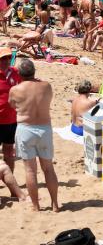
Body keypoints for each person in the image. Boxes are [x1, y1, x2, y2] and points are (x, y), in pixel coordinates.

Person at [9, 58, 58, 212]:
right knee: (48, 168)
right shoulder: (46, 86)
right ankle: (55, 204)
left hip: (26, 128)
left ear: (20, 74)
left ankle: (36, 206)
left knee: (30, 170)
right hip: (44, 128)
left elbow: (12, 104)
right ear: (34, 71)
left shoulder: (16, 89)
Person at [0, 48, 20, 171]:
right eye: (3, 58)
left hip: (12, 121)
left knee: (9, 151)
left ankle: (10, 179)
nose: (6, 61)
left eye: (8, 58)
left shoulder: (16, 72)